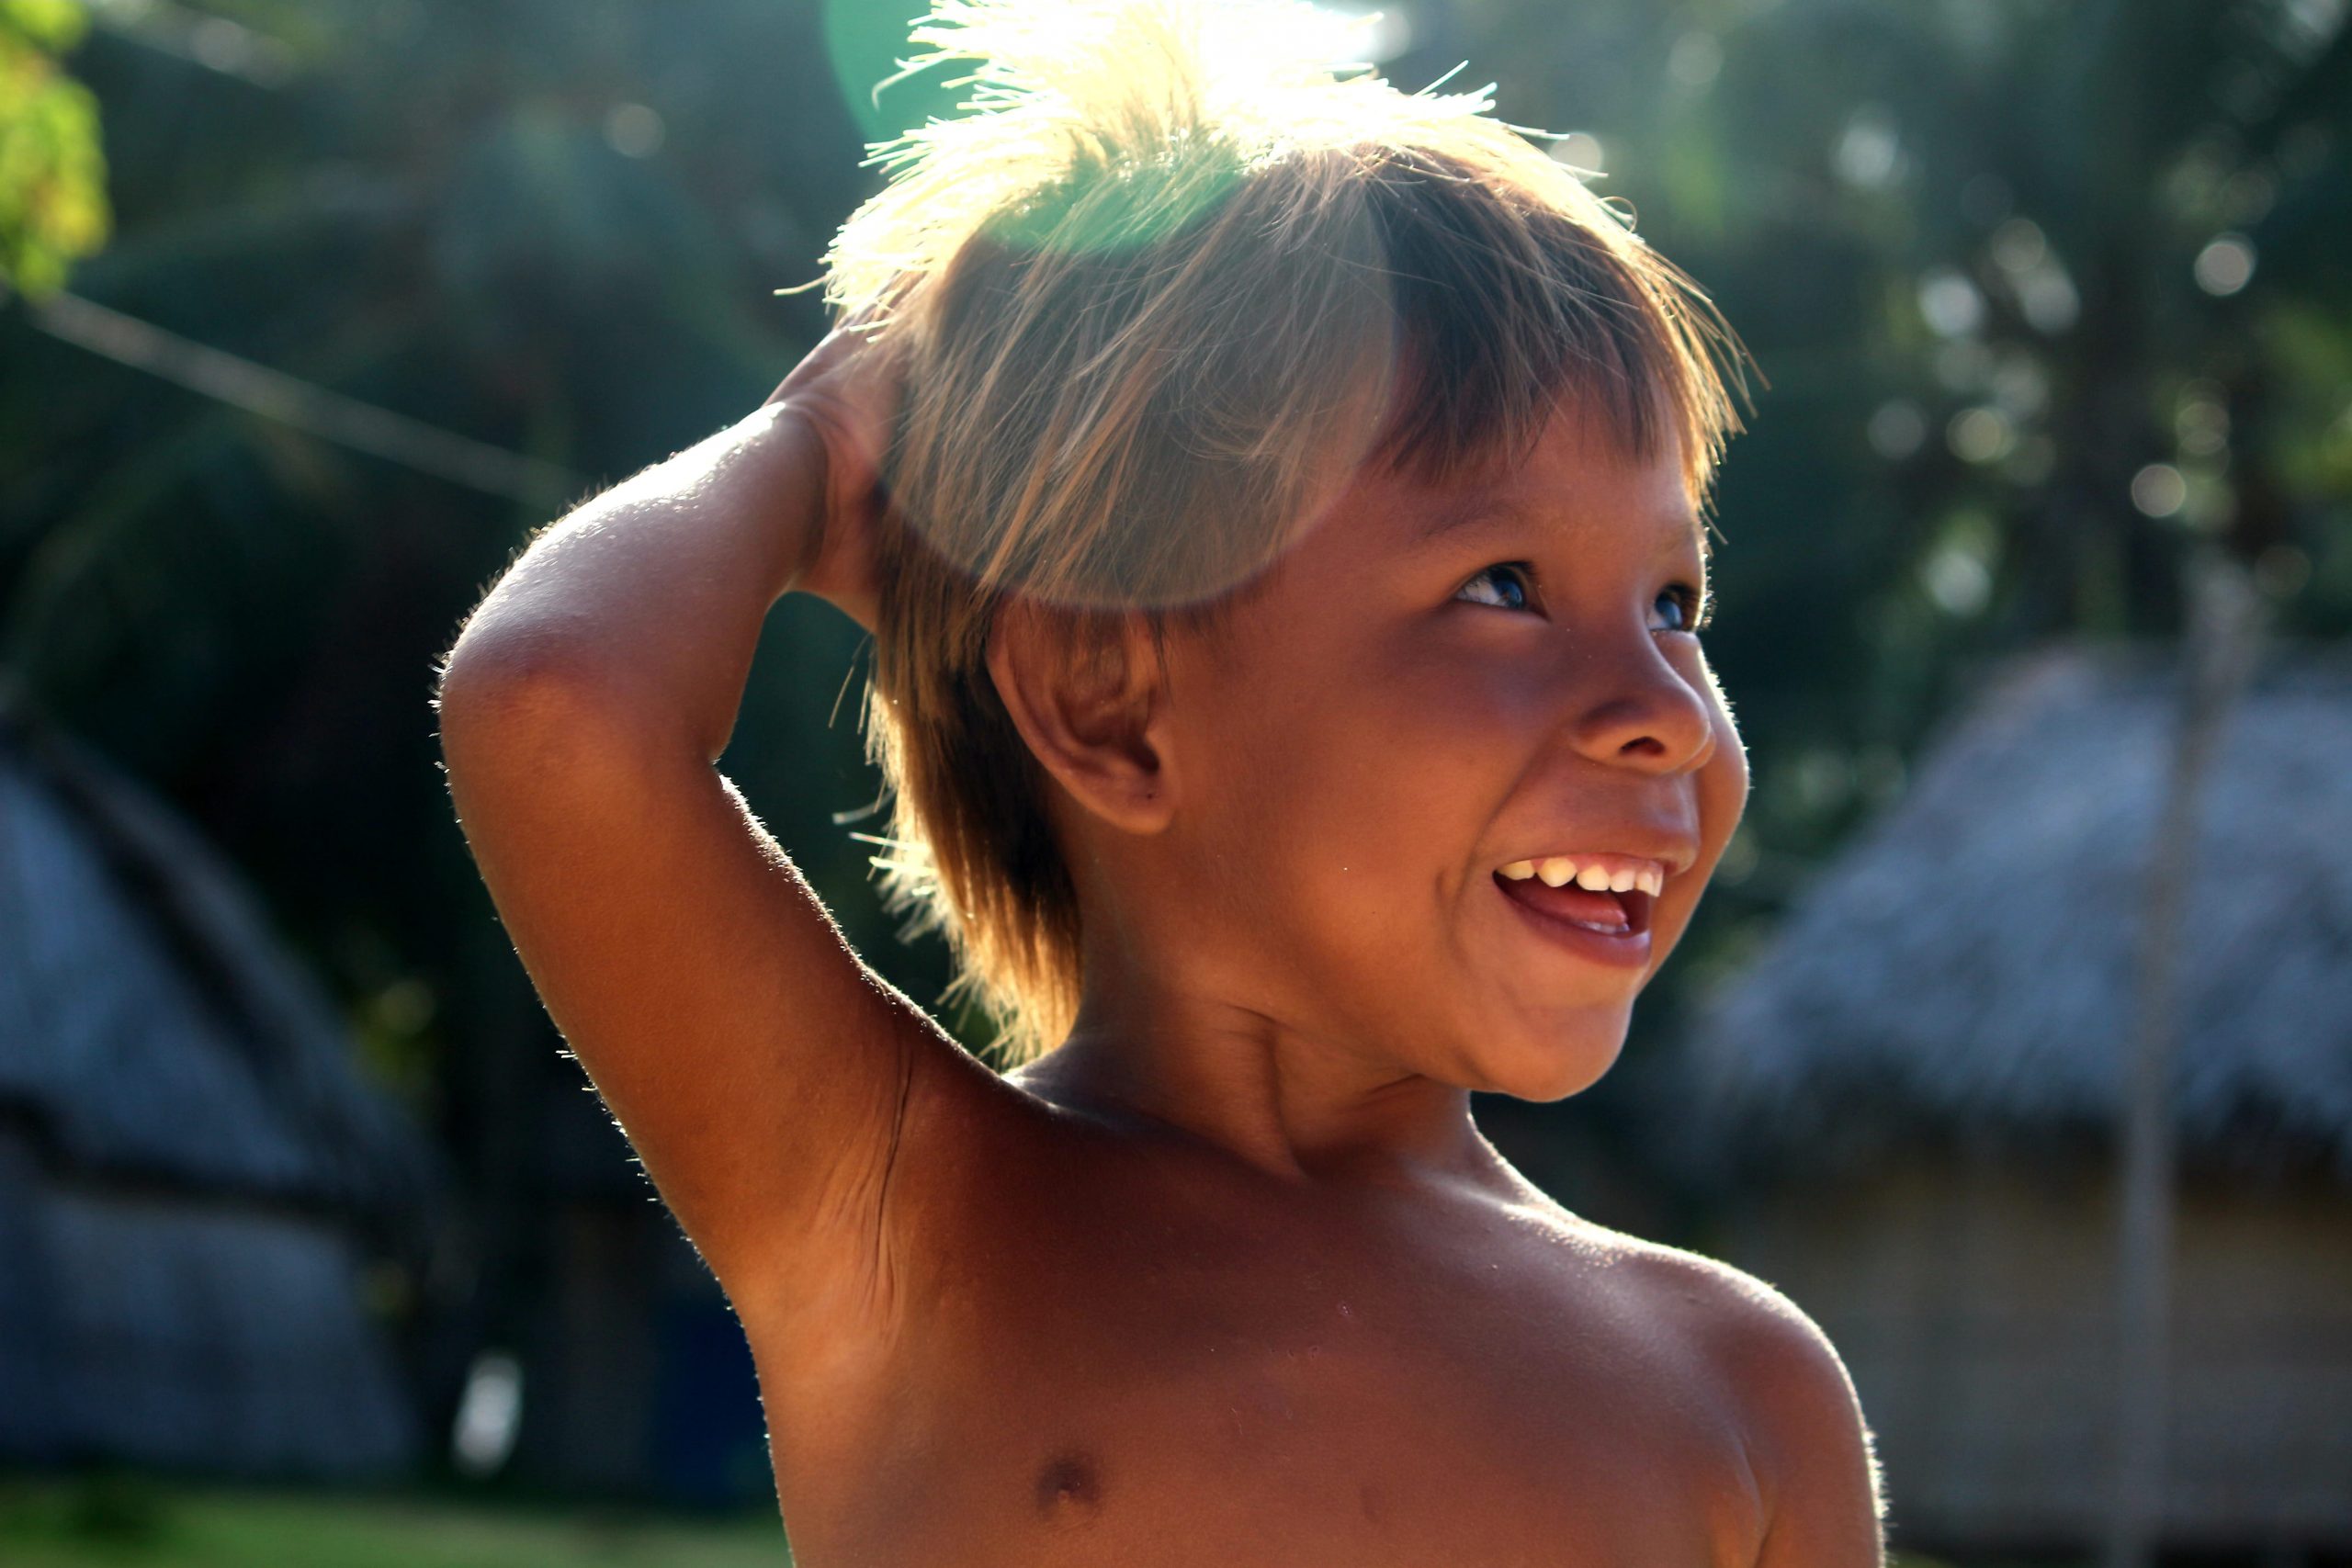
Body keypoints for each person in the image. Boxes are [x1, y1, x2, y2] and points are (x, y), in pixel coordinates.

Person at [435, 1, 1886, 1561]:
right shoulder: (918, 1225)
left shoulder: (1739, 1393)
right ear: (1112, 709)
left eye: (1676, 603)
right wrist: (823, 429)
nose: (1663, 710)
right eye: (1507, 585)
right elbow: (555, 707)